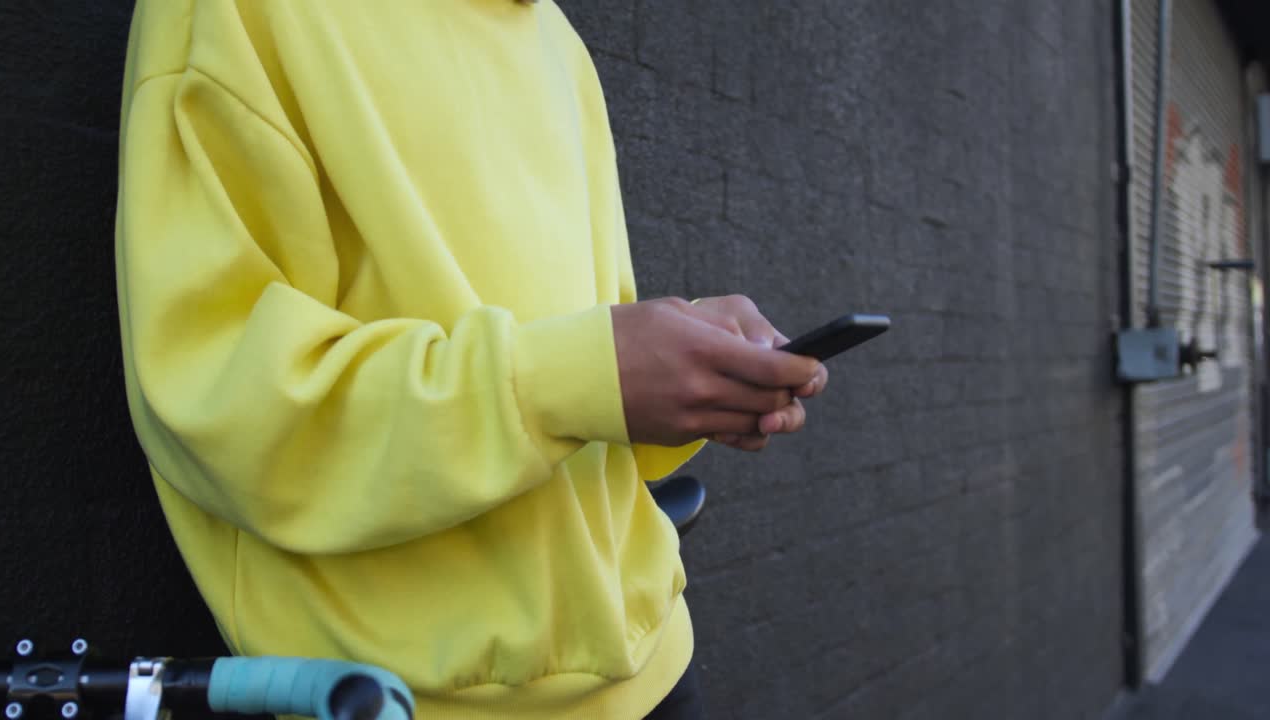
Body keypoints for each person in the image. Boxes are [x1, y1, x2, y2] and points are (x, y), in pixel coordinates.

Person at [114, 2, 828, 718]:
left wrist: (684, 377)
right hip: (394, 696)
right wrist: (579, 376)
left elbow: (575, 360)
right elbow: (222, 407)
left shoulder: (556, 38)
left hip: (658, 661)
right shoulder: (240, 13)